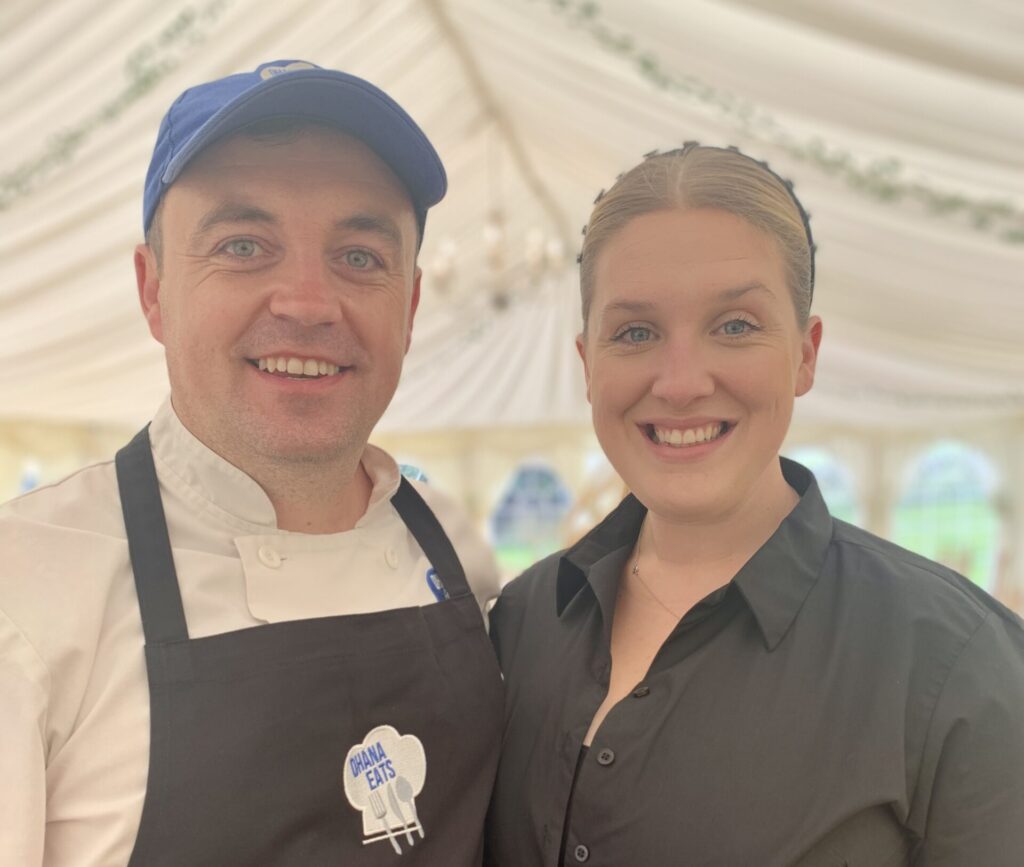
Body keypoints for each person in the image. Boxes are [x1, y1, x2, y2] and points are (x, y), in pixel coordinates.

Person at [0, 60, 504, 866]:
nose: (307, 303)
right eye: (243, 245)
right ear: (153, 290)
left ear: (409, 307)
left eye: (360, 256)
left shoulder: (452, 544)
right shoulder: (23, 587)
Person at [485, 143, 1024, 866]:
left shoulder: (958, 668)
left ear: (805, 353)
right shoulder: (523, 621)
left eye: (735, 325)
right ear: (588, 365)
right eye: (636, 332)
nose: (681, 383)